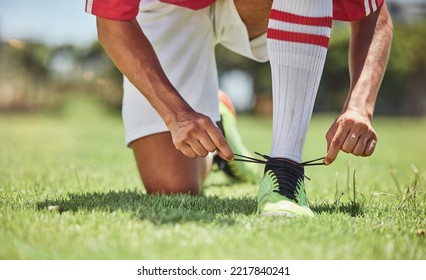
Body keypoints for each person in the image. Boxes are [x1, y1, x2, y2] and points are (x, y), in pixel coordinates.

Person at [85, 0, 393, 217]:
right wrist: (177, 114)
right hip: (167, 6)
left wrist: (359, 107)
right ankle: (221, 134)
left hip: (252, 7)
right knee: (172, 185)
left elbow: (372, 12)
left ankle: (285, 173)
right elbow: (111, 21)